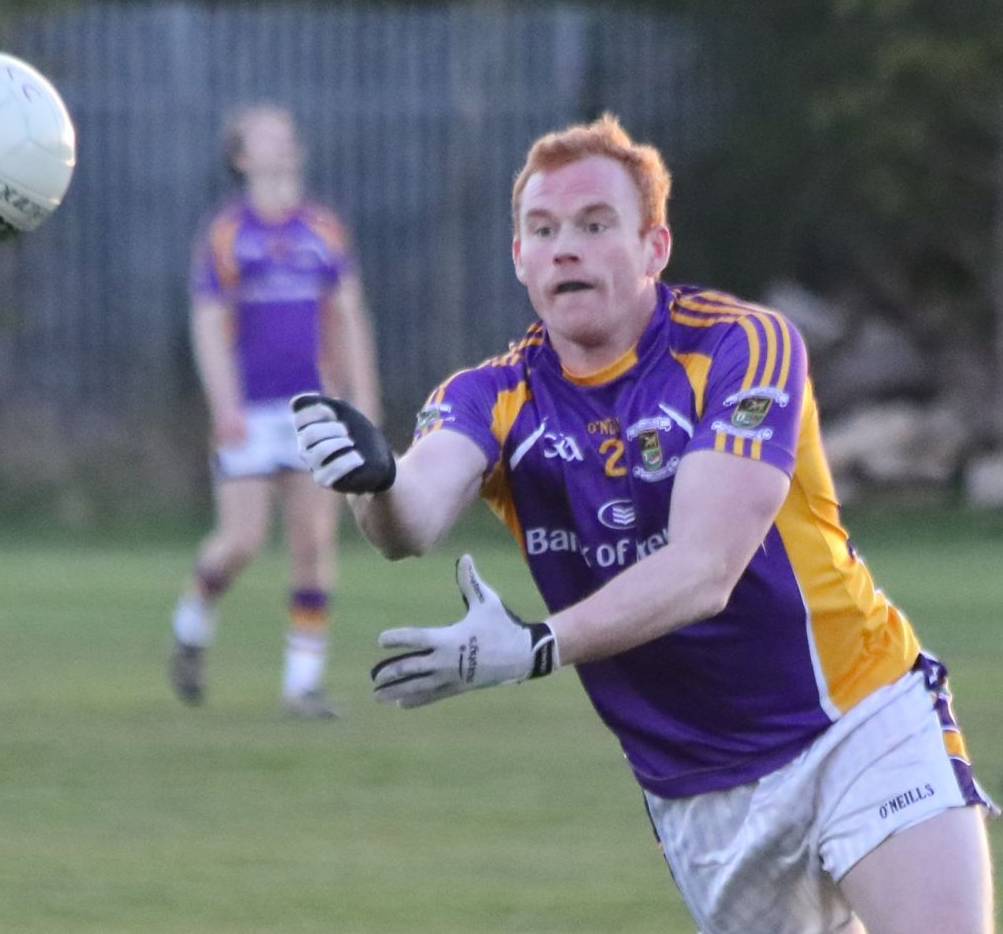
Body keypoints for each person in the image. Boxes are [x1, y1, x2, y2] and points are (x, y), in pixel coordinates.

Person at [292, 114, 998, 932]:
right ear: (518, 257)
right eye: (543, 229)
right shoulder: (493, 393)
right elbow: (407, 523)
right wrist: (371, 480)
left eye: (596, 226)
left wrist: (536, 645)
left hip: (856, 719)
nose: (566, 248)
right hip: (698, 792)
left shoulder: (741, 344)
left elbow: (705, 569)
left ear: (654, 247)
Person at [169, 103, 381, 718]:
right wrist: (224, 404)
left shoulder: (323, 229)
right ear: (241, 158)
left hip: (312, 407)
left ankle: (303, 684)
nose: (280, 144)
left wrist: (362, 397)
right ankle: (192, 622)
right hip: (251, 411)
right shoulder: (227, 232)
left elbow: (346, 316)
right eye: (264, 137)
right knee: (239, 542)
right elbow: (208, 324)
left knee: (314, 541)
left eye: (285, 135)